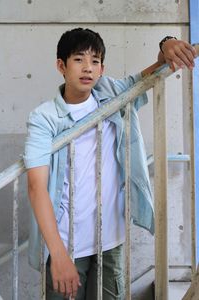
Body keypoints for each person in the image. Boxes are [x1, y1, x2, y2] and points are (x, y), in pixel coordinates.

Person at [23, 28, 197, 300]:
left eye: (95, 61)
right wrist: (57, 253)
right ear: (61, 65)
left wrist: (167, 43)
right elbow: (36, 187)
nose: (87, 68)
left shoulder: (114, 92)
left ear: (102, 68)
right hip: (67, 245)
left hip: (111, 241)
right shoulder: (44, 118)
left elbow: (156, 70)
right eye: (79, 59)